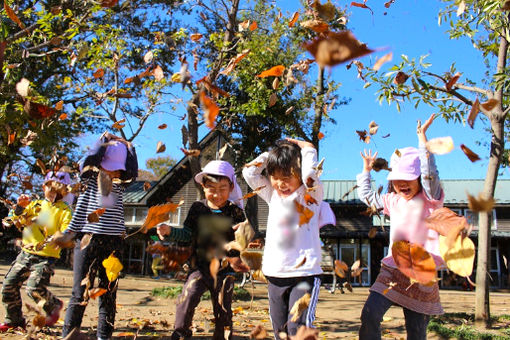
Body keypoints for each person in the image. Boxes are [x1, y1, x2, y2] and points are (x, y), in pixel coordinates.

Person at [356, 114, 444, 340]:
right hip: (393, 269)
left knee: (416, 330)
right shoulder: (393, 200)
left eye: (409, 178)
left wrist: (422, 141)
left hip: (420, 273)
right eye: (397, 179)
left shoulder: (429, 201)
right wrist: (366, 171)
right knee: (370, 314)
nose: (402, 183)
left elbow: (430, 175)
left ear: (419, 180)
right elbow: (367, 196)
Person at [157, 160, 248, 340]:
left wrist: (239, 254)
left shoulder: (236, 213)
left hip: (224, 271)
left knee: (223, 309)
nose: (217, 194)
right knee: (187, 298)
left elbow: (241, 241)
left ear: (231, 187)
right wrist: (169, 231)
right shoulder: (197, 208)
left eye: (222, 188)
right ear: (203, 187)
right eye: (211, 188)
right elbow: (187, 234)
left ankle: (222, 337)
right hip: (199, 267)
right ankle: (180, 334)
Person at [242, 138, 323, 339]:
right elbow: (249, 172)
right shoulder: (273, 195)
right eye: (275, 177)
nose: (280, 183)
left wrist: (308, 149)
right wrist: (271, 154)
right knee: (280, 331)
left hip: (305, 274)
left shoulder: (311, 195)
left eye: (287, 176)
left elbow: (310, 174)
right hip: (275, 274)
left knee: (298, 329)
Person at [61, 133, 137, 340]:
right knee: (79, 292)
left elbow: (132, 170)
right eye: (108, 166)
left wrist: (129, 147)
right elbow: (88, 160)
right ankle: (69, 335)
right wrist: (104, 140)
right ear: (100, 163)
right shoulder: (87, 180)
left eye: (117, 167)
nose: (113, 171)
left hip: (114, 243)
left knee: (109, 292)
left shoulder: (121, 184)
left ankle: (104, 336)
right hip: (88, 239)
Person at [0, 171, 73, 331]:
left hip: (46, 257)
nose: (54, 192)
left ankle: (53, 305)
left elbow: (68, 228)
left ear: (65, 191)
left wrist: (61, 236)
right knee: (8, 286)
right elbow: (14, 219)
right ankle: (14, 319)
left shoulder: (65, 209)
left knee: (33, 288)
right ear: (43, 187)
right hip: (26, 253)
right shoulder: (35, 205)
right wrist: (19, 208)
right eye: (50, 188)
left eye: (58, 189)